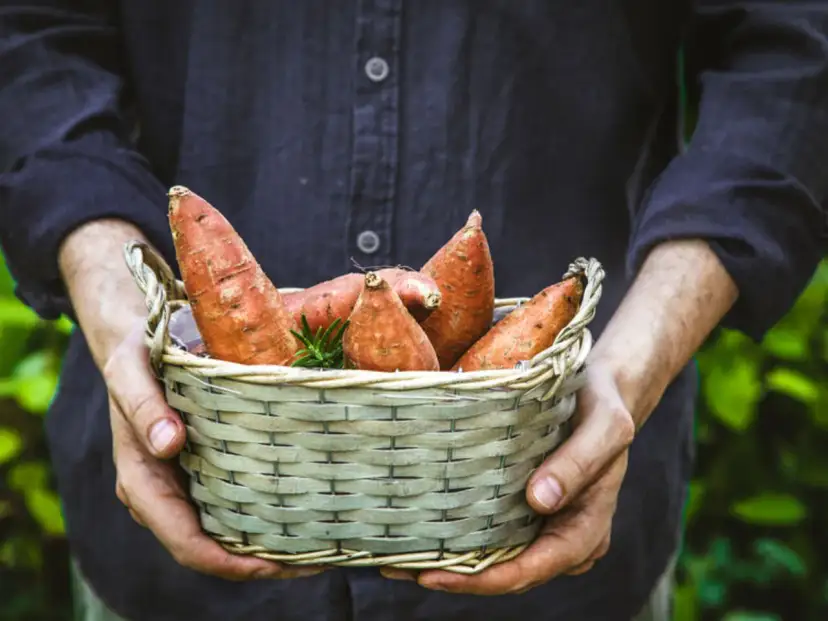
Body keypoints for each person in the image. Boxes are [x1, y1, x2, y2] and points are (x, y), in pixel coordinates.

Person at [1, 2, 826, 620]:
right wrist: (117, 307)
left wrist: (631, 364)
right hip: (172, 548)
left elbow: (790, 48)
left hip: (560, 520)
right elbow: (35, 32)